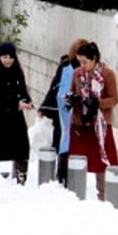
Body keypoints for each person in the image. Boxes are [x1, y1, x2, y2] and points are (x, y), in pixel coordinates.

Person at [67, 41, 118, 201]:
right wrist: (72, 99)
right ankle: (75, 194)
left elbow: (114, 99)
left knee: (102, 162)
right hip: (80, 123)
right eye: (80, 62)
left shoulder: (107, 74)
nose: (82, 65)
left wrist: (98, 103)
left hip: (100, 126)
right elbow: (71, 91)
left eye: (85, 62)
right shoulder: (77, 73)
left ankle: (104, 196)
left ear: (94, 59)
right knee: (77, 159)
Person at [39, 38, 89, 186]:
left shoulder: (70, 67)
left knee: (65, 141)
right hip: (66, 111)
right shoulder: (70, 68)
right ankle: (63, 174)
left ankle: (63, 174)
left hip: (66, 110)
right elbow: (56, 86)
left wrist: (45, 107)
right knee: (66, 141)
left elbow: (54, 87)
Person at [0, 41, 36, 184]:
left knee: (21, 145)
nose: (8, 60)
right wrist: (15, 104)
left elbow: (22, 91)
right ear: (0, 57)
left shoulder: (17, 72)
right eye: (5, 57)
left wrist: (27, 101)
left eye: (11, 57)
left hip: (15, 118)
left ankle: (21, 175)